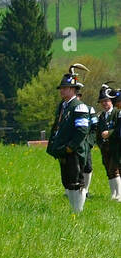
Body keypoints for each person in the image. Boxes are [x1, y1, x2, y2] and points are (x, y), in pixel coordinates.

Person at [46, 65, 94, 215]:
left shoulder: (78, 107)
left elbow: (82, 130)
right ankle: (74, 210)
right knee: (67, 182)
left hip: (73, 151)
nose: (61, 90)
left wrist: (70, 147)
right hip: (64, 150)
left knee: (76, 182)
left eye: (65, 88)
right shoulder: (65, 106)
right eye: (61, 88)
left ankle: (78, 212)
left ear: (73, 89)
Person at [93, 84, 119, 202]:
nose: (104, 103)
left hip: (116, 147)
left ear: (111, 101)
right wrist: (101, 144)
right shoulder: (101, 116)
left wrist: (110, 133)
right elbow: (98, 133)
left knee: (115, 169)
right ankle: (113, 194)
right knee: (109, 170)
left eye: (106, 101)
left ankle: (119, 195)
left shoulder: (117, 113)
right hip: (105, 148)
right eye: (102, 101)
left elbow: (119, 129)